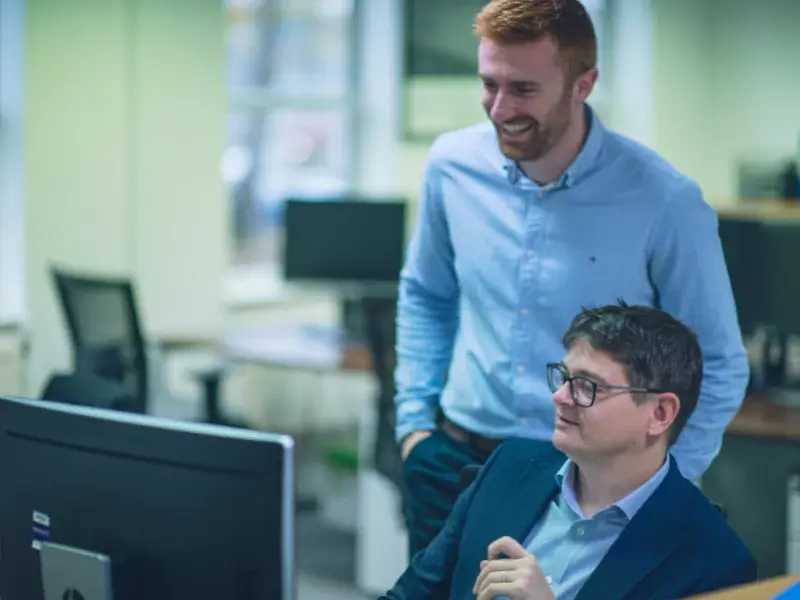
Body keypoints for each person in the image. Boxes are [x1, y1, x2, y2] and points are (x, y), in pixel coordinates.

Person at [395, 0, 748, 556]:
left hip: (586, 483)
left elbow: (719, 360)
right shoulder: (450, 166)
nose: (500, 109)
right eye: (489, 84)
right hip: (456, 462)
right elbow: (426, 295)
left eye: (524, 89)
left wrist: (663, 483)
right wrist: (414, 429)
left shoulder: (664, 200)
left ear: (583, 85)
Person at [382, 303, 756, 600]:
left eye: (588, 386)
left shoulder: (713, 560)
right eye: (564, 378)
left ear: (659, 414)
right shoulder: (509, 467)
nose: (560, 397)